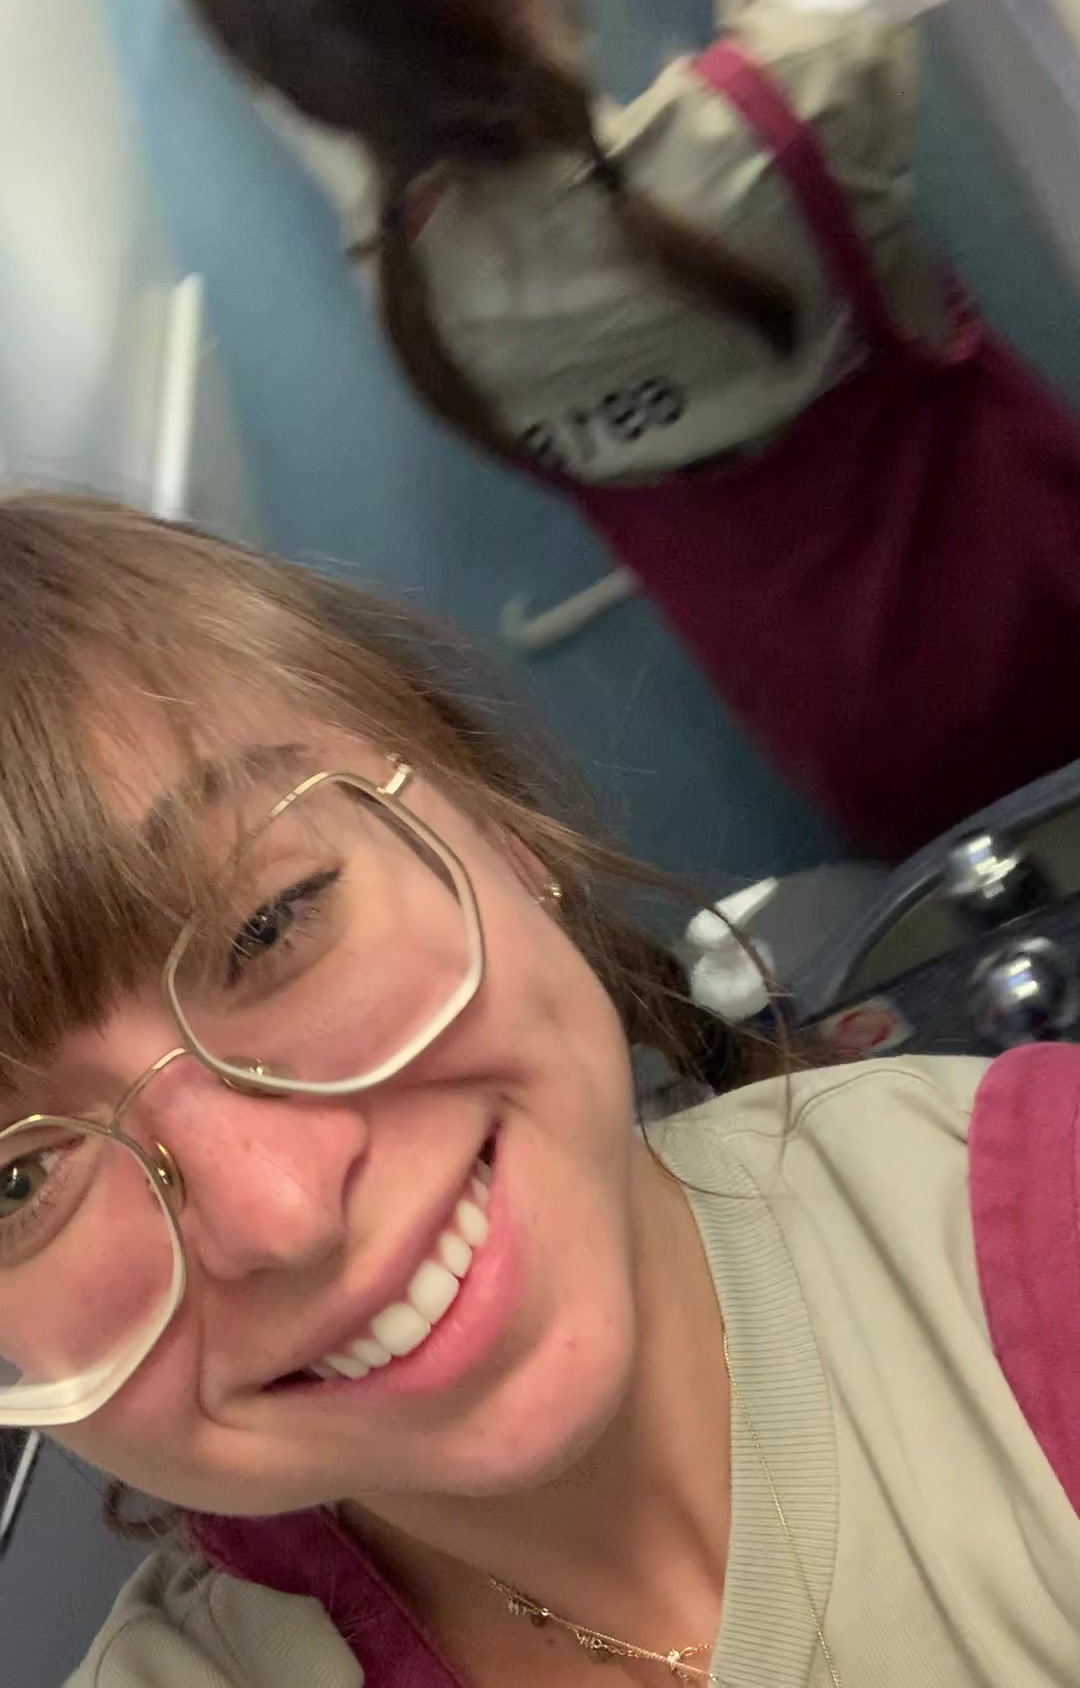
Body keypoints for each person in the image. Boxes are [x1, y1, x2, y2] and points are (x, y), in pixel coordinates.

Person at [0, 491, 1078, 1688]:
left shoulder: (1034, 1236)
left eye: (271, 924)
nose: (282, 1213)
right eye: (19, 1179)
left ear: (498, 832)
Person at [181, 0, 1080, 860]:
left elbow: (368, 39)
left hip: (866, 761)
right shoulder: (789, 119)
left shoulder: (410, 291)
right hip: (1048, 621)